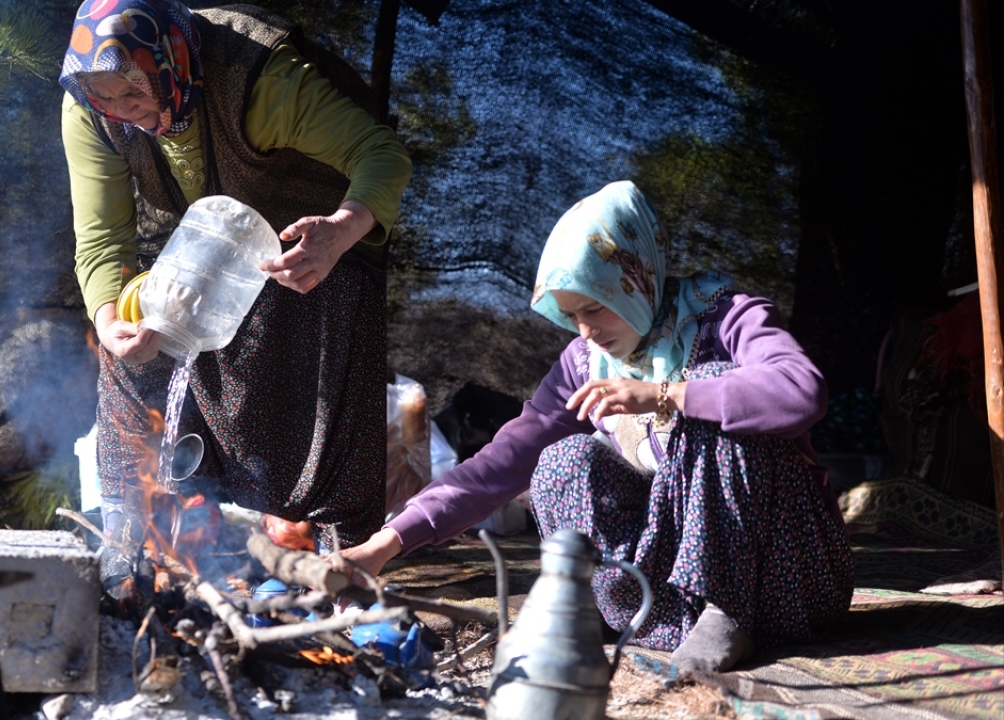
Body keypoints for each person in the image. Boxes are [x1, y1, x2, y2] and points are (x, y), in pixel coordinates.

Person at [339, 181, 855, 672]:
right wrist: (383, 545)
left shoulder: (727, 318)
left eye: (594, 306)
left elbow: (802, 391)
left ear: (636, 278)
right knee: (563, 459)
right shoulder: (584, 363)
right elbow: (499, 465)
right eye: (570, 315)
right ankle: (625, 613)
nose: (585, 329)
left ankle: (729, 613)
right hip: (675, 602)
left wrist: (666, 395)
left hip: (785, 579)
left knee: (713, 385)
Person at [58, 0, 411, 584]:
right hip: (211, 240)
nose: (121, 114)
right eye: (105, 100)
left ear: (169, 64)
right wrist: (106, 316)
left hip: (315, 243)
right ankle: (129, 550)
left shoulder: (255, 80)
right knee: (130, 343)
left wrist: (342, 230)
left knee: (320, 375)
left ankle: (342, 574)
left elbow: (381, 153)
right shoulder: (89, 112)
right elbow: (101, 239)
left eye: (134, 94)